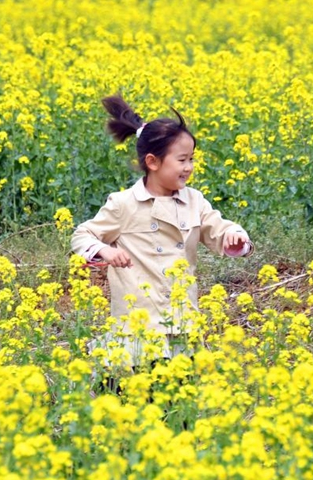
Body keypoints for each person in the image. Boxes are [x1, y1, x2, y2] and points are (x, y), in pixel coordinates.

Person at [72, 95, 253, 369]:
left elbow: (217, 227)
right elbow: (83, 235)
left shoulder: (194, 200)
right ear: (153, 162)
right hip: (138, 327)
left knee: (177, 401)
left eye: (191, 159)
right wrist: (105, 250)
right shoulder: (124, 204)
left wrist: (233, 236)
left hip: (181, 322)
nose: (189, 167)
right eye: (181, 160)